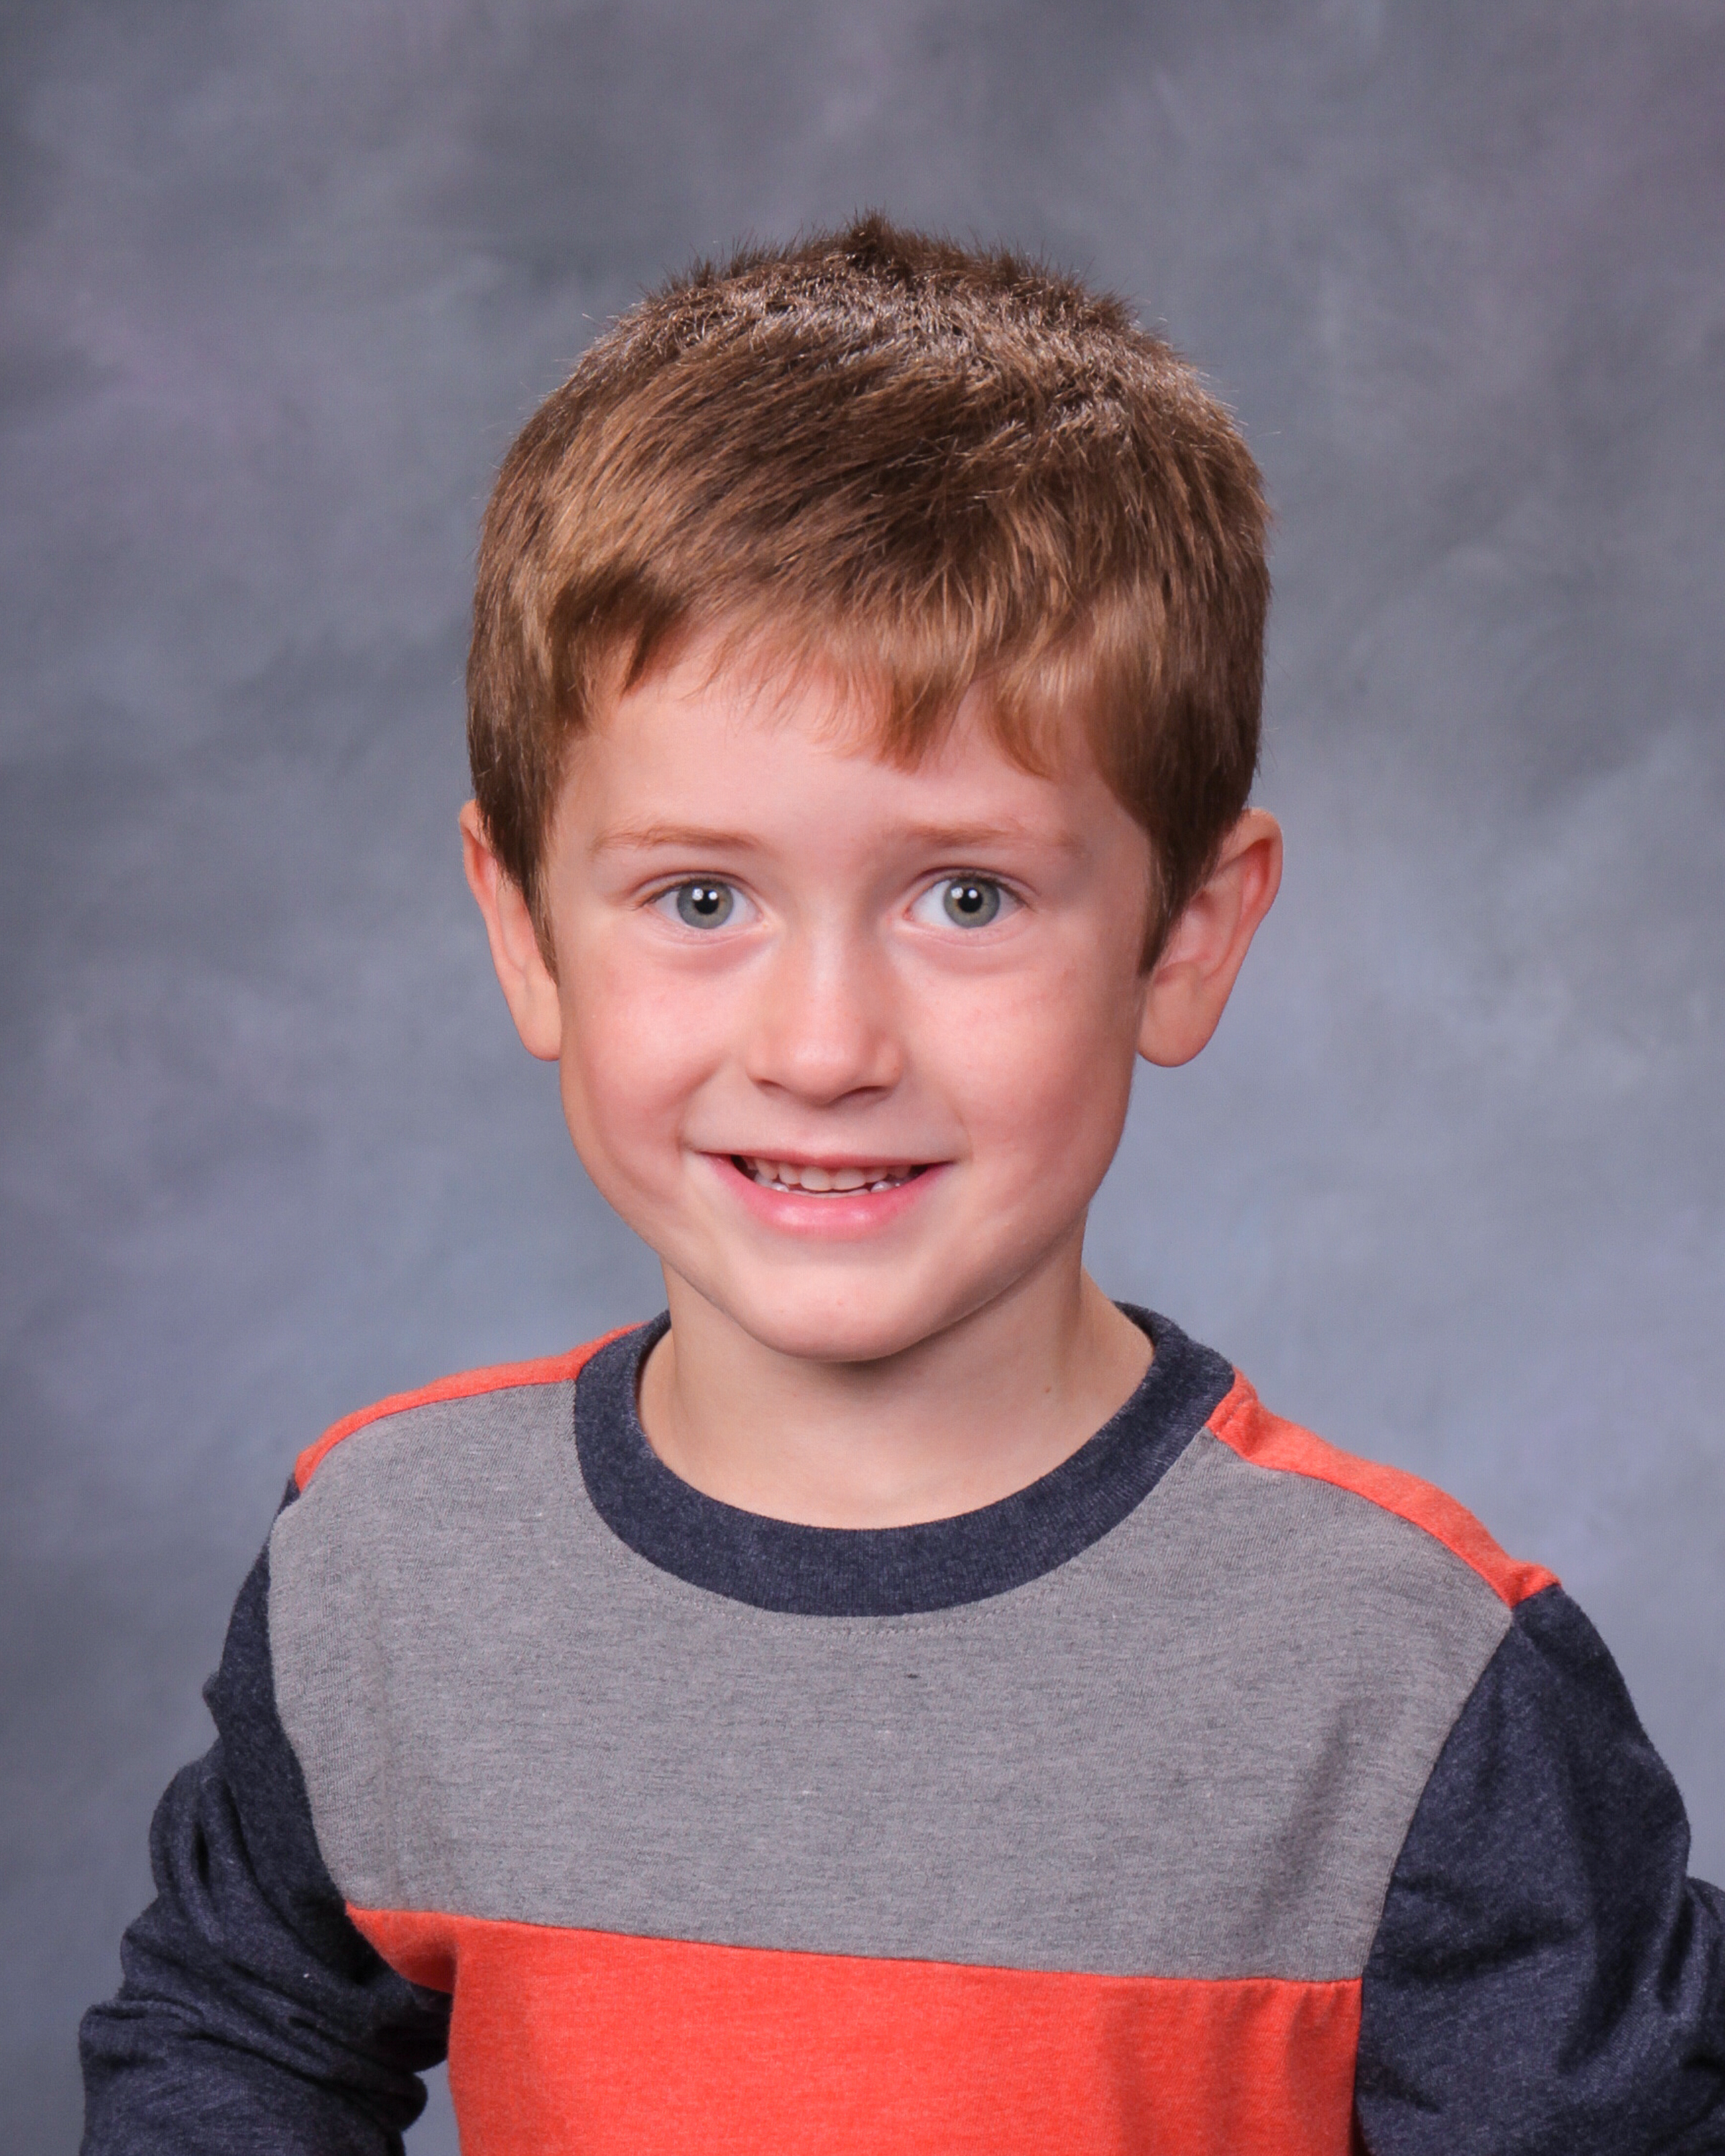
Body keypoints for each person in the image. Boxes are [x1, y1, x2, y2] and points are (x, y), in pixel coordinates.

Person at [80, 217, 1724, 2155]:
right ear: (524, 933)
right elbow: (234, 2040)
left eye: (967, 896)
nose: (826, 1043)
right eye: (703, 897)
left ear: (1187, 940)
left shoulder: (1407, 1677)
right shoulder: (393, 1565)